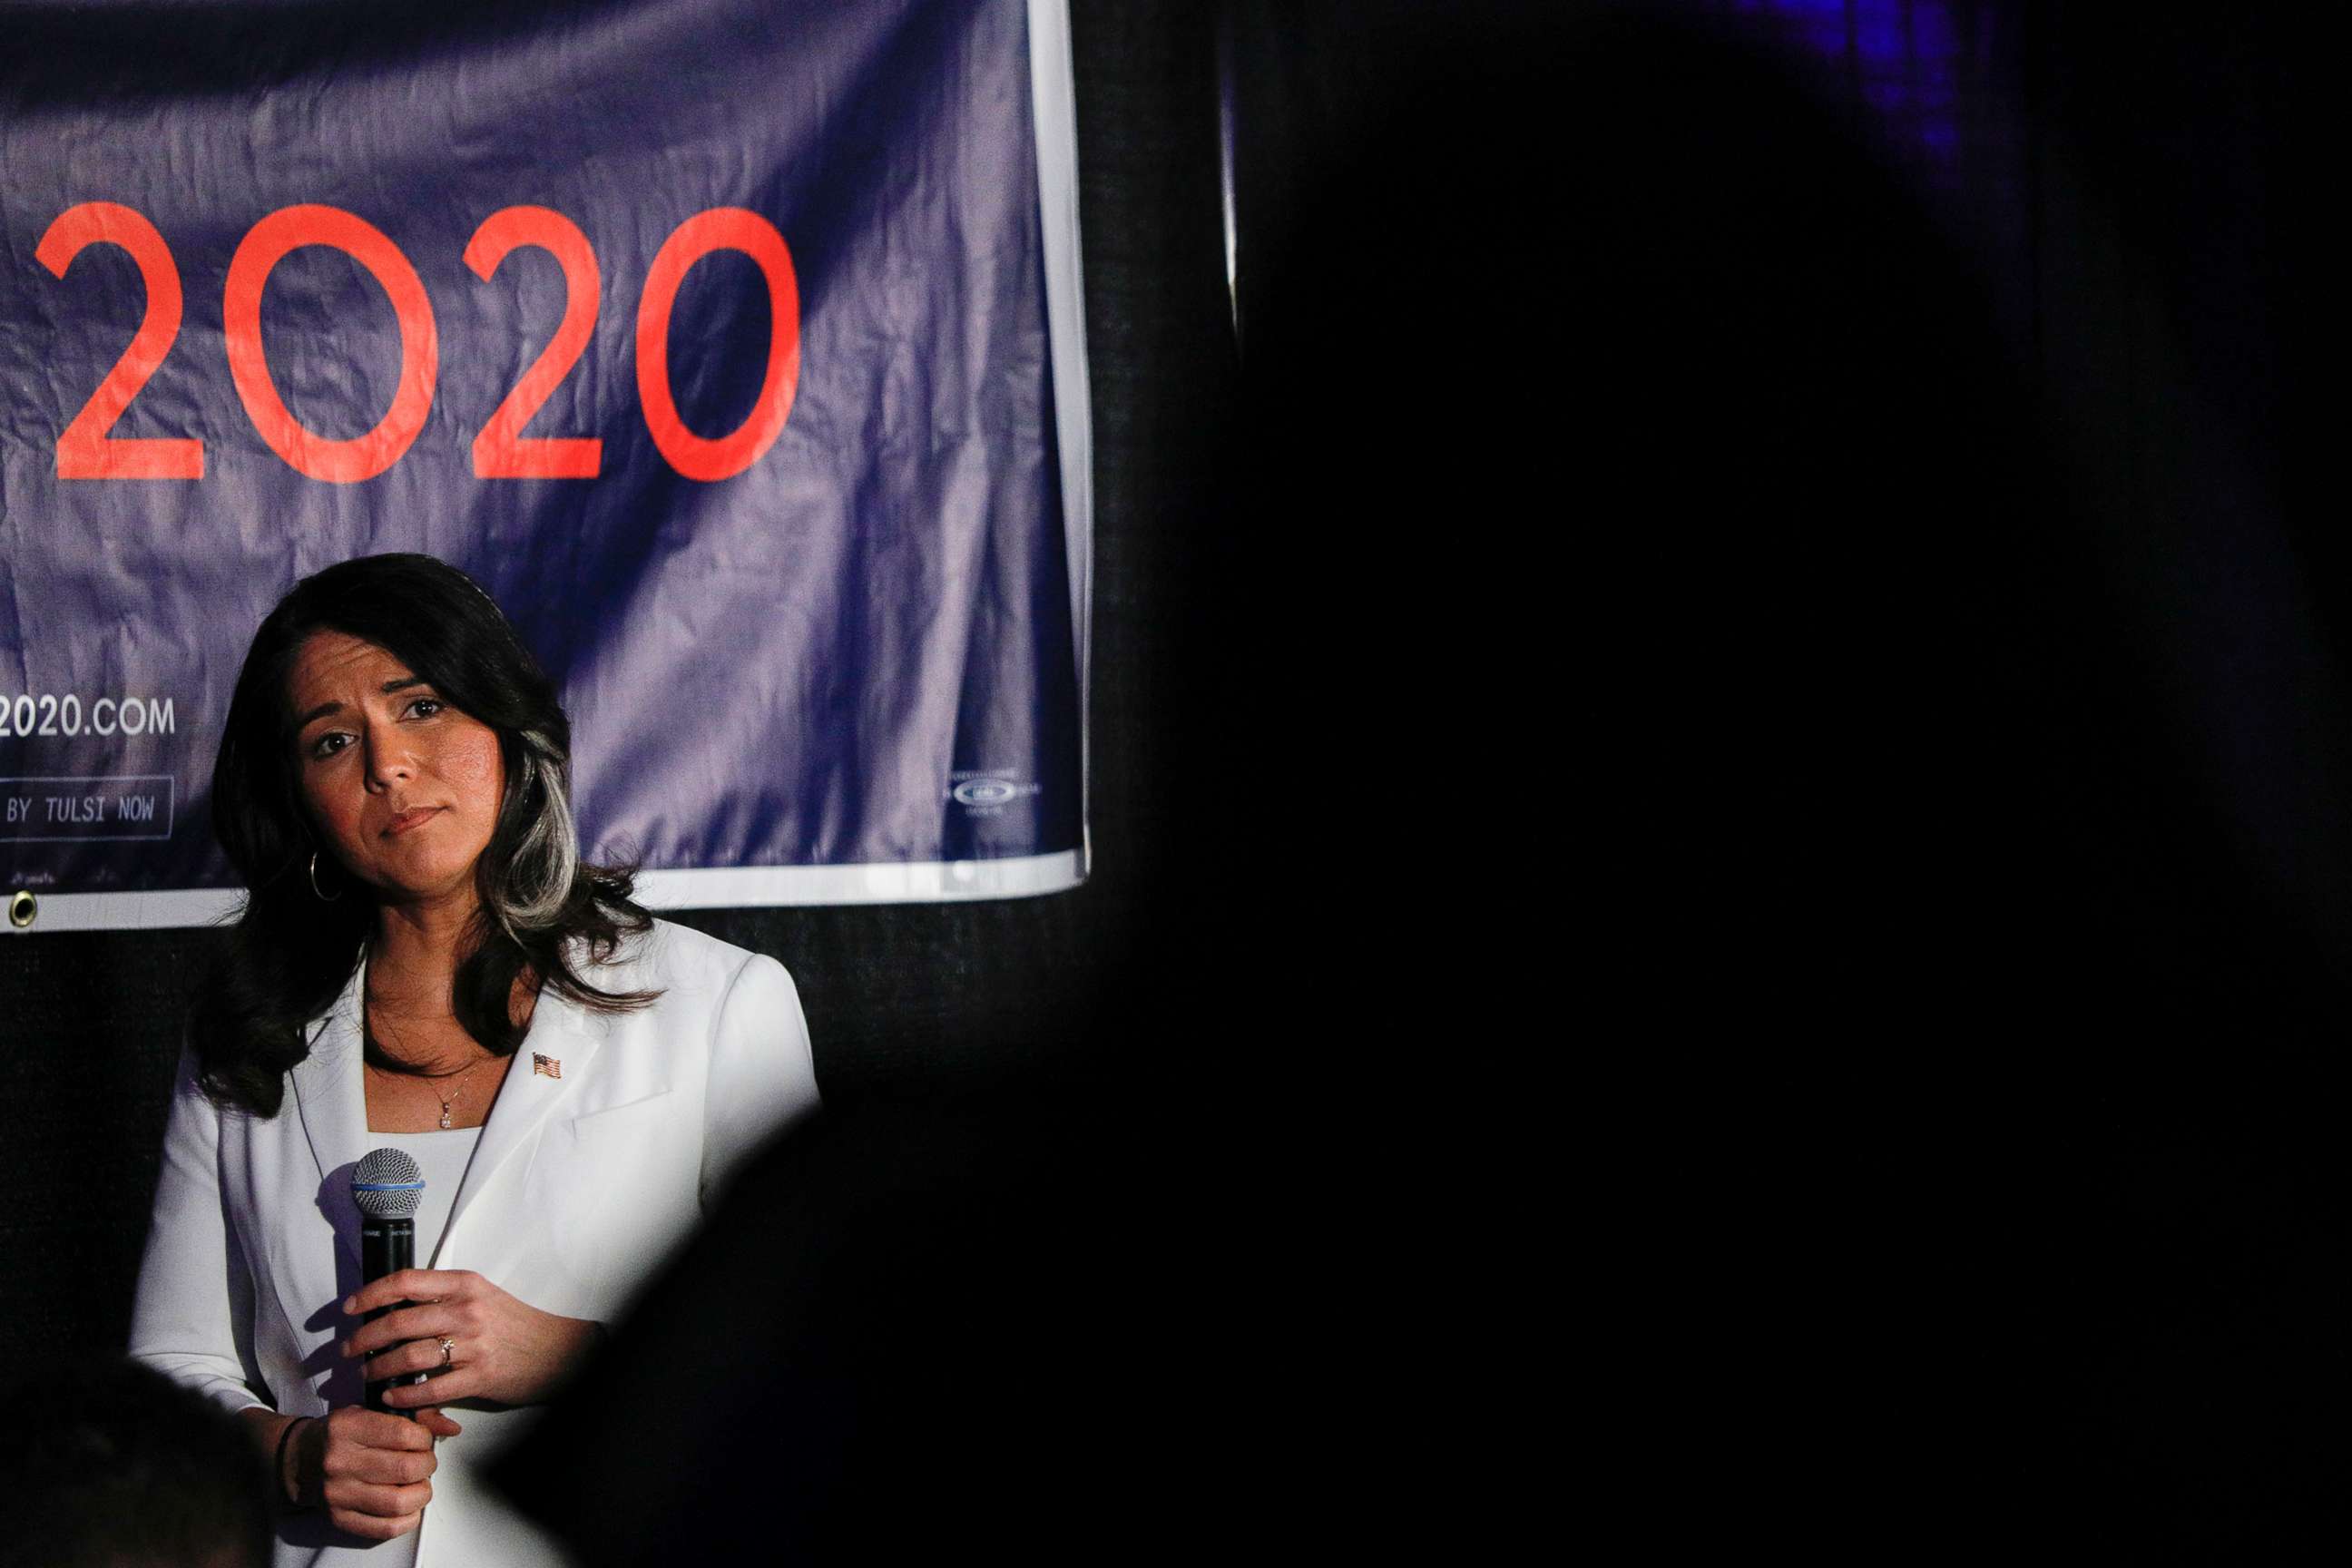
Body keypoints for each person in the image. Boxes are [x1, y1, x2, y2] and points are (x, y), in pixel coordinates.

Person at [129, 553, 820, 1568]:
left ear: (505, 725)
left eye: (421, 707)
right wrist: (291, 1454)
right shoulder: (248, 1037)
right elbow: (168, 1367)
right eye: (332, 741)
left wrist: (565, 1355)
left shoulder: (716, 1003)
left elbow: (813, 1363)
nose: (387, 765)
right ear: (302, 799)